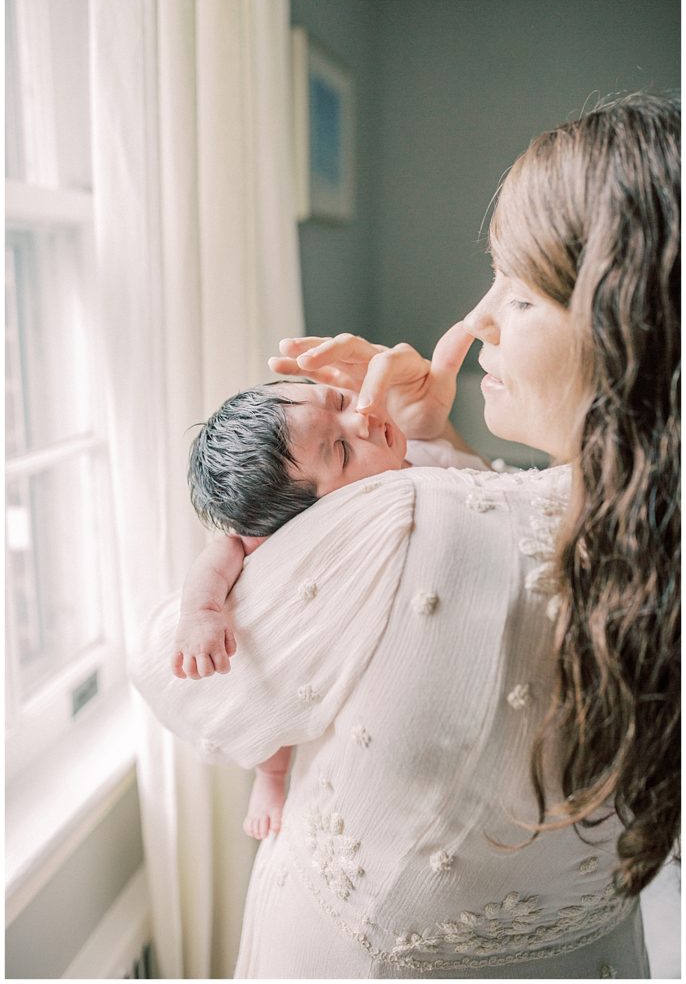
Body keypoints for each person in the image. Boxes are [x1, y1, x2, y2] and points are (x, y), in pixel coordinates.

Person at [131, 93, 679, 978]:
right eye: (490, 276)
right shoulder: (639, 530)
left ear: (629, 328)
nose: (478, 321)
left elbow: (175, 677)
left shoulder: (407, 521)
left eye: (524, 292)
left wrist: (417, 464)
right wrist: (439, 443)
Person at [171, 379, 490, 839]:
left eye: (338, 400)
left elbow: (475, 480)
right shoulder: (276, 533)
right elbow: (225, 552)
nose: (360, 418)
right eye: (341, 450)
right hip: (299, 645)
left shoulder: (423, 454)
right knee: (265, 685)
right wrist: (201, 611)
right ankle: (271, 777)